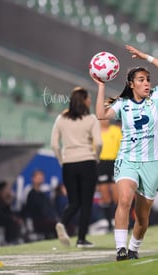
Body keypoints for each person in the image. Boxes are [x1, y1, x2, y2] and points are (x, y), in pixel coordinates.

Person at [93, 44, 158, 261]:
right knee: (124, 200)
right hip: (127, 160)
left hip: (153, 162)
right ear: (131, 84)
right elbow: (100, 114)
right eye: (141, 80)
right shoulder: (122, 104)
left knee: (142, 218)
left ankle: (133, 248)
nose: (147, 83)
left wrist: (146, 56)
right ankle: (120, 249)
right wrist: (101, 85)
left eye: (148, 79)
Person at [51, 86, 102, 248]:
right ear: (84, 100)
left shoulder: (61, 119)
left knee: (74, 201)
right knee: (87, 202)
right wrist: (96, 157)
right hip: (87, 161)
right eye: (89, 98)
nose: (90, 101)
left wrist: (61, 160)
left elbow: (54, 145)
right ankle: (81, 239)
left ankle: (62, 222)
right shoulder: (91, 119)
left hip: (69, 164)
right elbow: (99, 143)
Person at [97, 119, 123, 231]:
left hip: (114, 162)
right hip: (100, 164)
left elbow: (122, 147)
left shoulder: (116, 130)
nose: (105, 120)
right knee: (105, 196)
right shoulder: (95, 132)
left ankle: (120, 222)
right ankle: (109, 224)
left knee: (117, 196)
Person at [25, 169, 58, 239]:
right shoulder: (31, 194)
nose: (40, 179)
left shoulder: (43, 195)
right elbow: (32, 210)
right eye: (38, 177)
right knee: (56, 225)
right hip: (38, 221)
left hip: (48, 219)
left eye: (41, 177)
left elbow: (49, 208)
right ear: (33, 179)